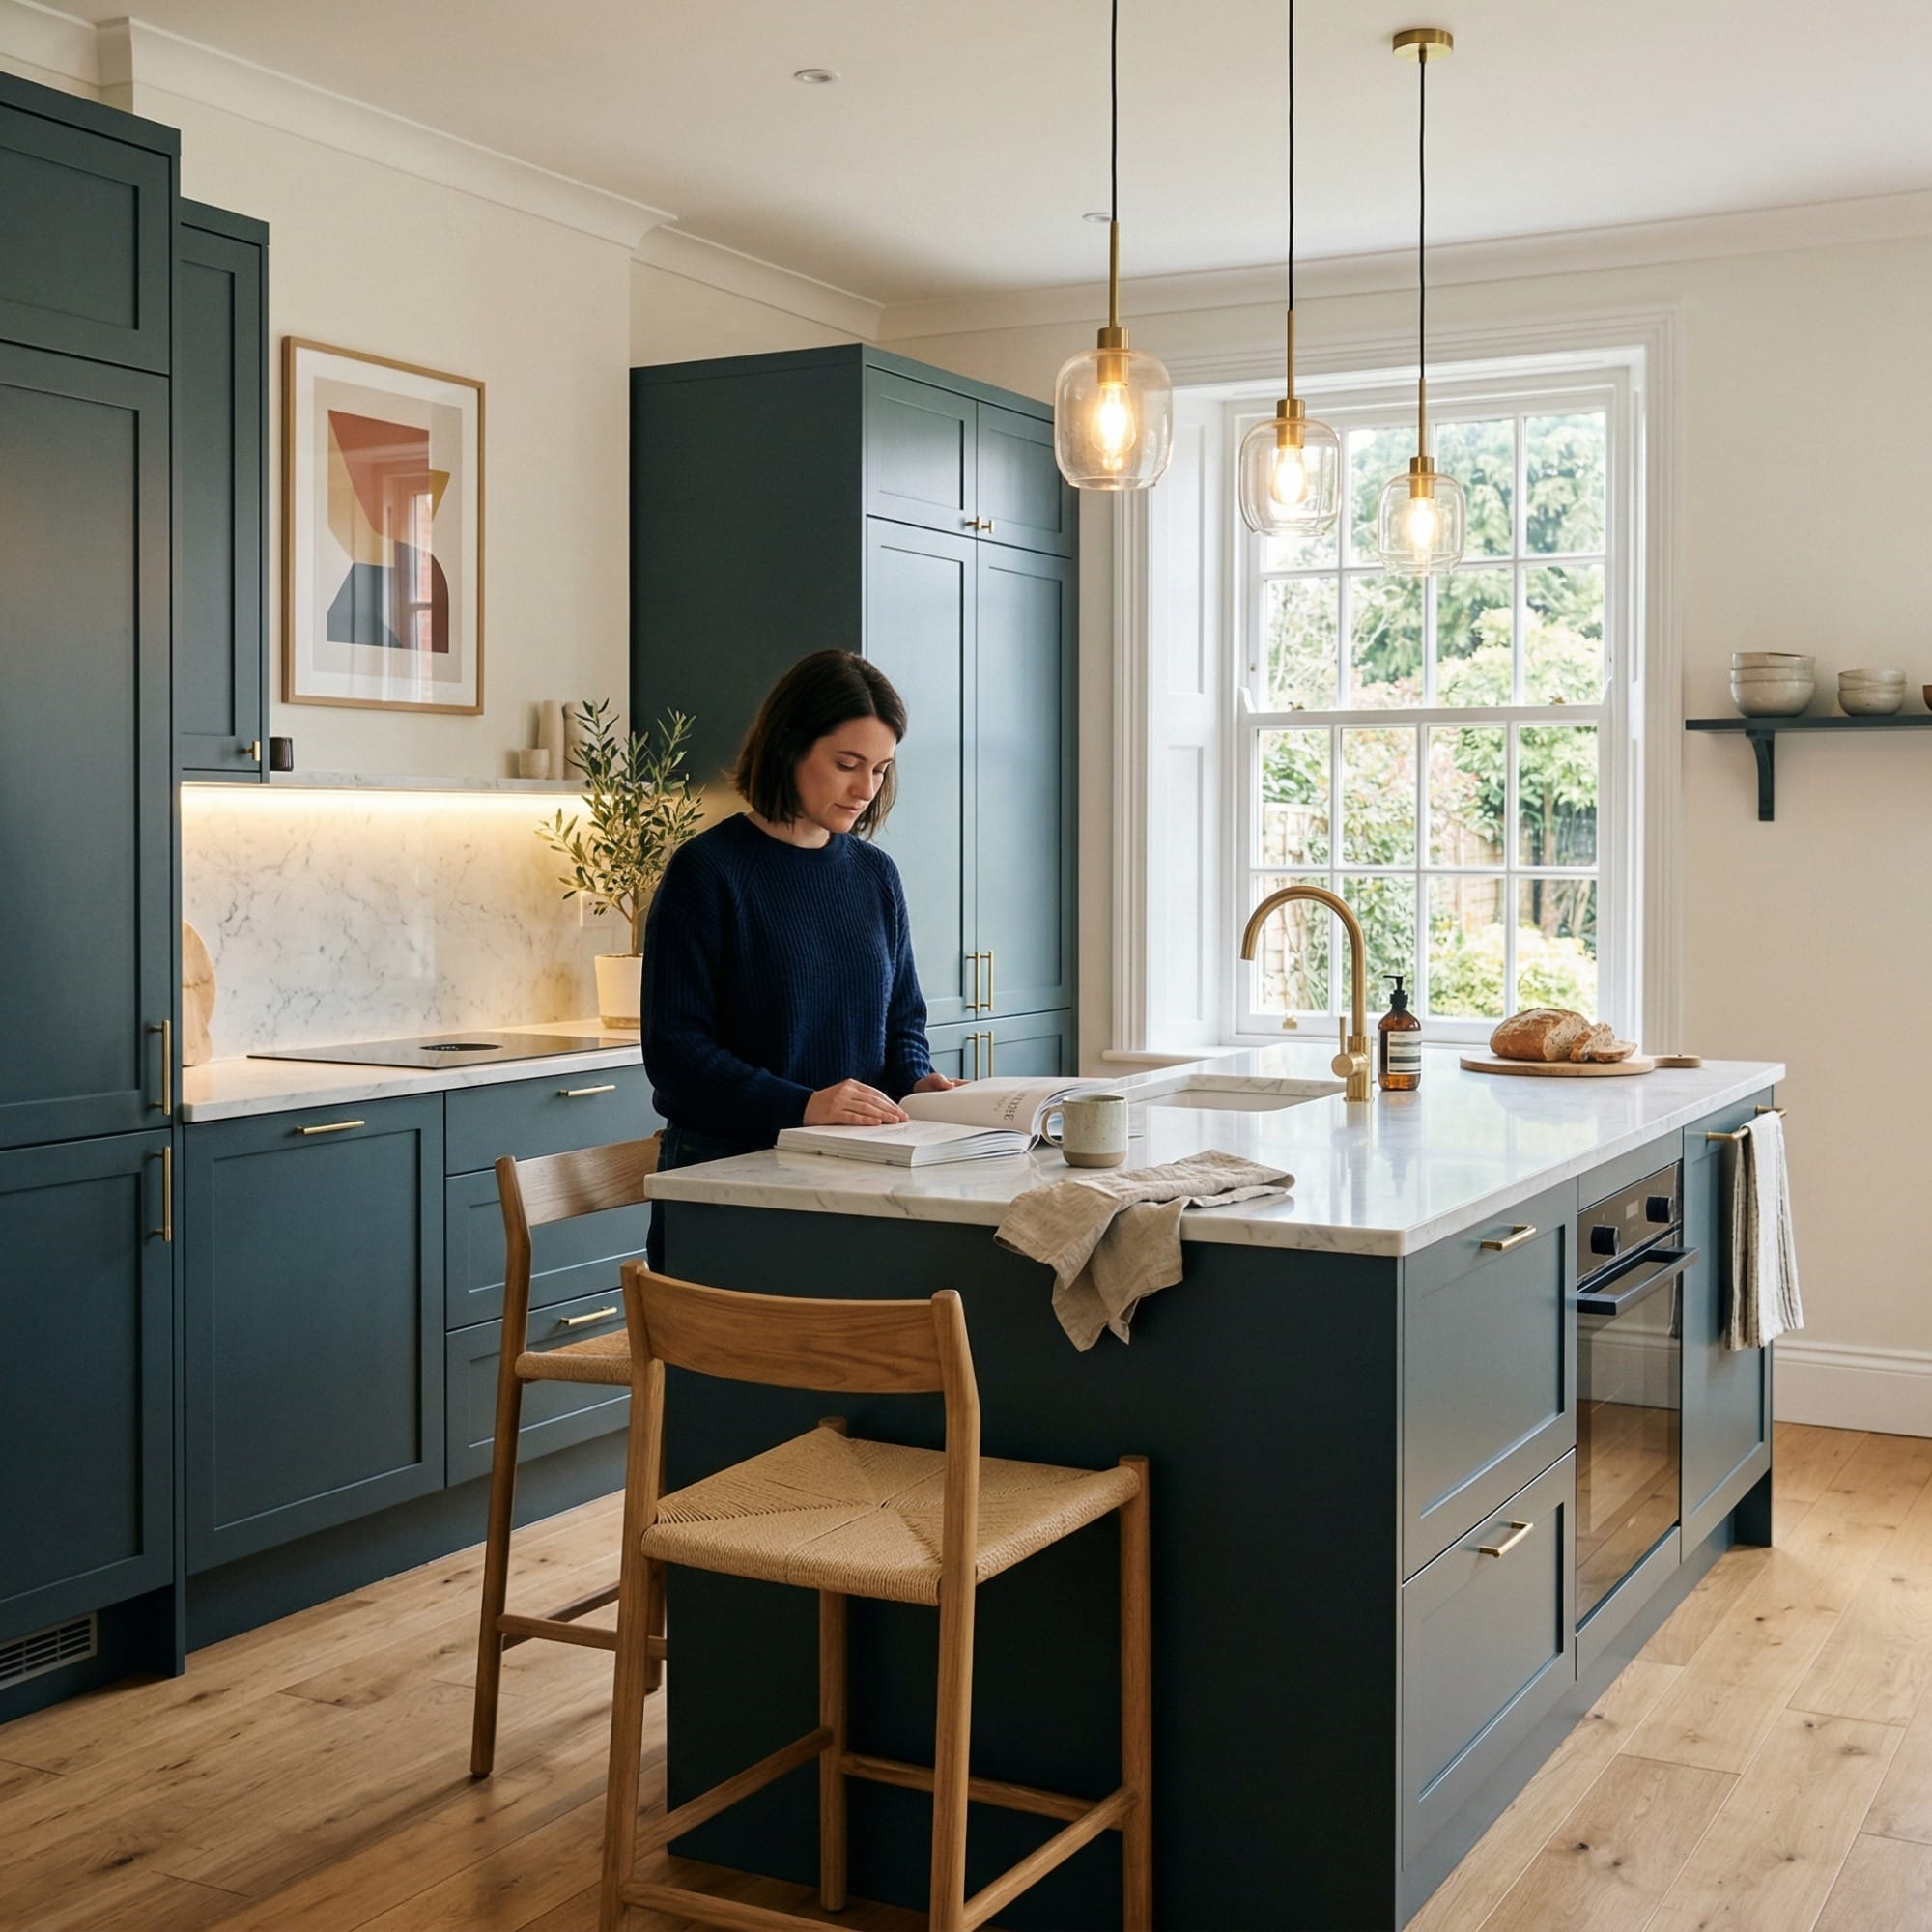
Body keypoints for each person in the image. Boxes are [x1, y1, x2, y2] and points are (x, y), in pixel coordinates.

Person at [639, 649, 963, 1267]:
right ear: (789, 747)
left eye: (880, 769)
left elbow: (902, 1022)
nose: (865, 789)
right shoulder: (706, 873)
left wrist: (918, 1082)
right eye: (847, 764)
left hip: (857, 1175)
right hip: (725, 1181)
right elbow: (677, 1055)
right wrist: (803, 1106)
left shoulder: (875, 875)